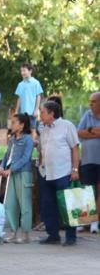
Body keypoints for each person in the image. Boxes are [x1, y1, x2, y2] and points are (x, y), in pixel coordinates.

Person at [38, 100, 80, 246]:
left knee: (67, 205)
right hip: (46, 174)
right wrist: (40, 164)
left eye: (42, 112)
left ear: (51, 113)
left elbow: (75, 148)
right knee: (48, 206)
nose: (40, 115)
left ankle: (71, 237)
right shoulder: (43, 129)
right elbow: (42, 150)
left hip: (63, 173)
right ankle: (53, 235)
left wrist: (75, 169)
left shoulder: (67, 126)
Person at [0, 114, 35, 243]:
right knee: (10, 204)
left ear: (22, 125)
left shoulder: (28, 139)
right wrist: (1, 166)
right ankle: (13, 232)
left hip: (23, 174)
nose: (11, 125)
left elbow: (26, 158)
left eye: (14, 122)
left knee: (25, 204)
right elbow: (6, 155)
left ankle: (25, 234)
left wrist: (11, 169)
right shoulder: (12, 140)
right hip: (11, 174)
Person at [78, 92, 100, 234]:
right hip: (87, 159)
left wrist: (89, 131)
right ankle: (85, 220)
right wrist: (95, 131)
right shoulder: (87, 114)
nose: (90, 104)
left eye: (93, 101)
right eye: (89, 101)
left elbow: (86, 132)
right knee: (87, 191)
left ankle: (94, 222)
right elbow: (79, 132)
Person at [14, 63, 44, 131]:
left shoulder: (36, 83)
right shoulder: (20, 84)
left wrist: (36, 110)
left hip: (32, 112)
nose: (22, 73)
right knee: (24, 130)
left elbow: (38, 97)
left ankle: (32, 141)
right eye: (21, 71)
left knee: (32, 130)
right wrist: (16, 110)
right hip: (23, 113)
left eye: (24, 70)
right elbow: (19, 98)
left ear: (30, 71)